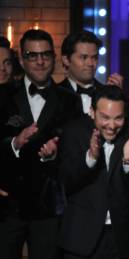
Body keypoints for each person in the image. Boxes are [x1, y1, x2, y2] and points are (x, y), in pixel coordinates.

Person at [0, 29, 81, 259]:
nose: (40, 61)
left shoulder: (70, 100)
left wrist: (54, 155)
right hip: (8, 206)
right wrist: (14, 143)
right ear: (22, 60)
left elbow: (75, 150)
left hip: (48, 207)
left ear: (54, 59)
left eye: (45, 54)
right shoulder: (3, 95)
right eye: (32, 55)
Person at [58, 85, 129, 259]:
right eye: (105, 117)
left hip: (121, 240)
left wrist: (128, 162)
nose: (111, 125)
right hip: (81, 239)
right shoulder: (73, 133)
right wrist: (90, 158)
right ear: (92, 112)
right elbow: (64, 182)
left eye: (118, 118)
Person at [59, 31, 124, 115]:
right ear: (66, 60)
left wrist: (117, 97)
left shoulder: (106, 93)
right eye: (84, 57)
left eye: (94, 58)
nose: (90, 63)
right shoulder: (54, 95)